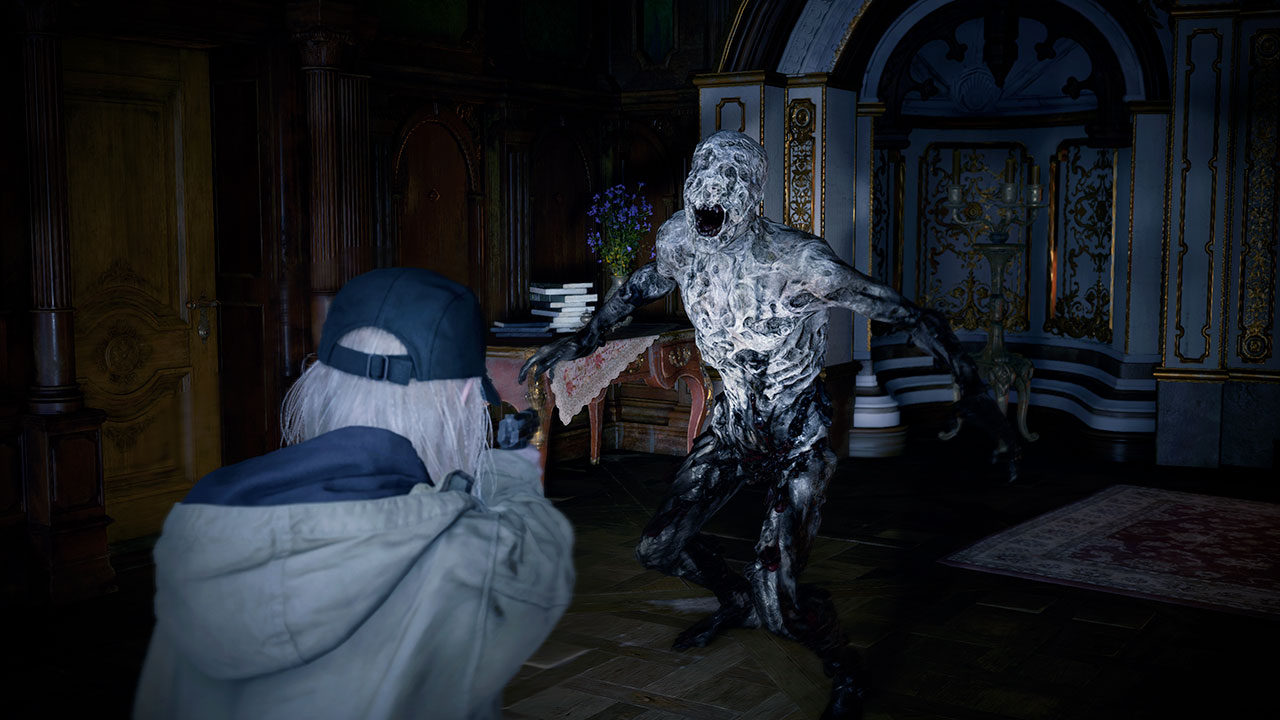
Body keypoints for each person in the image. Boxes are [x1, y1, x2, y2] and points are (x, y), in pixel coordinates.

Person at [520, 131, 1015, 719]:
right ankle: (736, 599)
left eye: (728, 185)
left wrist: (972, 385)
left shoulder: (800, 263)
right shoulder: (681, 241)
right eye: (702, 183)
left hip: (796, 435)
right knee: (659, 548)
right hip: (731, 429)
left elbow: (905, 313)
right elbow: (639, 287)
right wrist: (582, 340)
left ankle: (843, 669)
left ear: (753, 198)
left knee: (779, 600)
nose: (711, 199)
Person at [134, 267, 575, 720]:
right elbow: (540, 560)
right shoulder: (460, 547)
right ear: (465, 397)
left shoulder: (206, 518)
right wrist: (514, 462)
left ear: (321, 379)